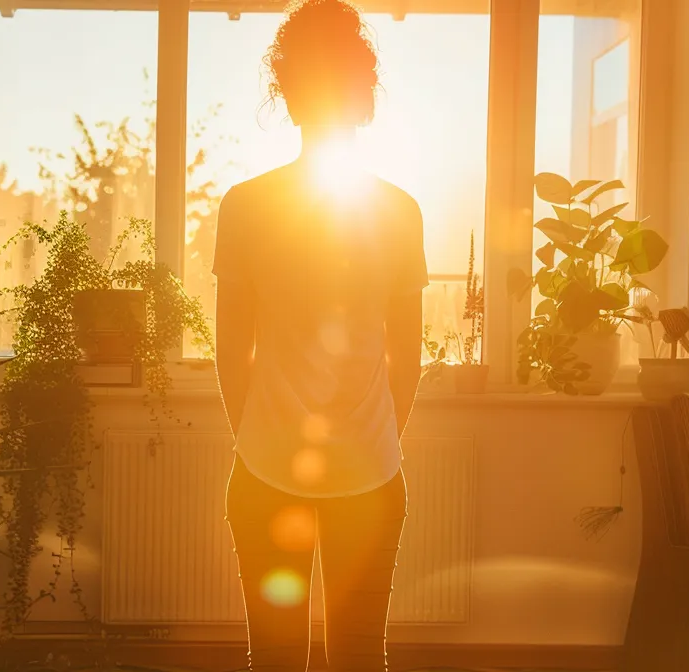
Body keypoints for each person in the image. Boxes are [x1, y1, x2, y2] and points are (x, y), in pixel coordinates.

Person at [210, 1, 425, 671]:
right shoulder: (397, 211)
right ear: (364, 95)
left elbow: (231, 353)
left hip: (270, 465)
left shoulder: (245, 206)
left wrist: (256, 436)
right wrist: (372, 435)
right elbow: (406, 362)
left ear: (287, 92)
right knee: (360, 656)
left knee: (273, 658)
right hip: (367, 467)